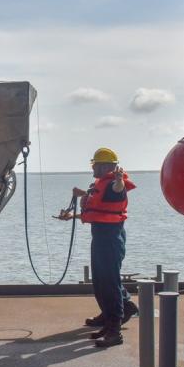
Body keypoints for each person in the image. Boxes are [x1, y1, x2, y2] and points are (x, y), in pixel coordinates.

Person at [57, 147, 138, 347]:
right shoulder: (101, 184)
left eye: (95, 164)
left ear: (105, 166)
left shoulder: (113, 184)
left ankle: (114, 330)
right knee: (101, 281)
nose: (92, 167)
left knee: (109, 282)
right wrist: (72, 215)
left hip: (110, 238)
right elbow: (98, 207)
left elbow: (117, 191)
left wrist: (119, 179)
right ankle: (112, 317)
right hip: (101, 237)